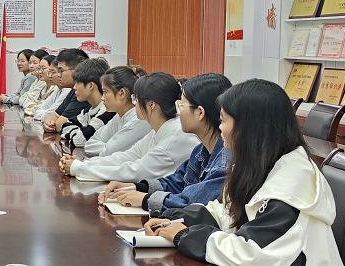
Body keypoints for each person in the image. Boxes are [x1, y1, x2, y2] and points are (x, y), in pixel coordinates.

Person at [144, 79, 345, 266]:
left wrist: (184, 235)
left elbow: (254, 252)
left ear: (249, 127)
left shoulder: (292, 182)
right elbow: (224, 212)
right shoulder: (259, 162)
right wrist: (174, 219)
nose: (220, 128)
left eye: (223, 120)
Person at [98, 72, 232, 216]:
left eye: (181, 105)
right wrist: (137, 187)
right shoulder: (201, 151)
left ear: (200, 113)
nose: (178, 112)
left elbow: (192, 203)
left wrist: (145, 199)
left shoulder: (225, 162)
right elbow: (177, 182)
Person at [60, 71, 196, 182]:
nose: (134, 103)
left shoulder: (174, 135)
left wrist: (79, 168)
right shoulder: (161, 128)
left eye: (136, 98)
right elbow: (129, 156)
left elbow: (134, 171)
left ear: (152, 105)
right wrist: (83, 164)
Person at [82, 66, 151, 157]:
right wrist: (108, 147)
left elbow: (109, 152)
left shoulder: (139, 120)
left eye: (105, 92)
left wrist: (109, 147)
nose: (102, 98)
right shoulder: (119, 116)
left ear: (121, 93)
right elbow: (89, 144)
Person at [43, 50, 98, 132]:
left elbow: (60, 124)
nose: (58, 75)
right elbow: (53, 116)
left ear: (77, 70)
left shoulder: (84, 92)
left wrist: (54, 123)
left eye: (61, 71)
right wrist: (48, 122)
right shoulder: (73, 90)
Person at [60, 57, 110, 146]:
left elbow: (79, 141)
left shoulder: (107, 111)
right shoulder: (89, 110)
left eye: (78, 83)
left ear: (91, 85)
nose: (74, 87)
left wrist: (76, 133)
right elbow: (64, 126)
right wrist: (78, 133)